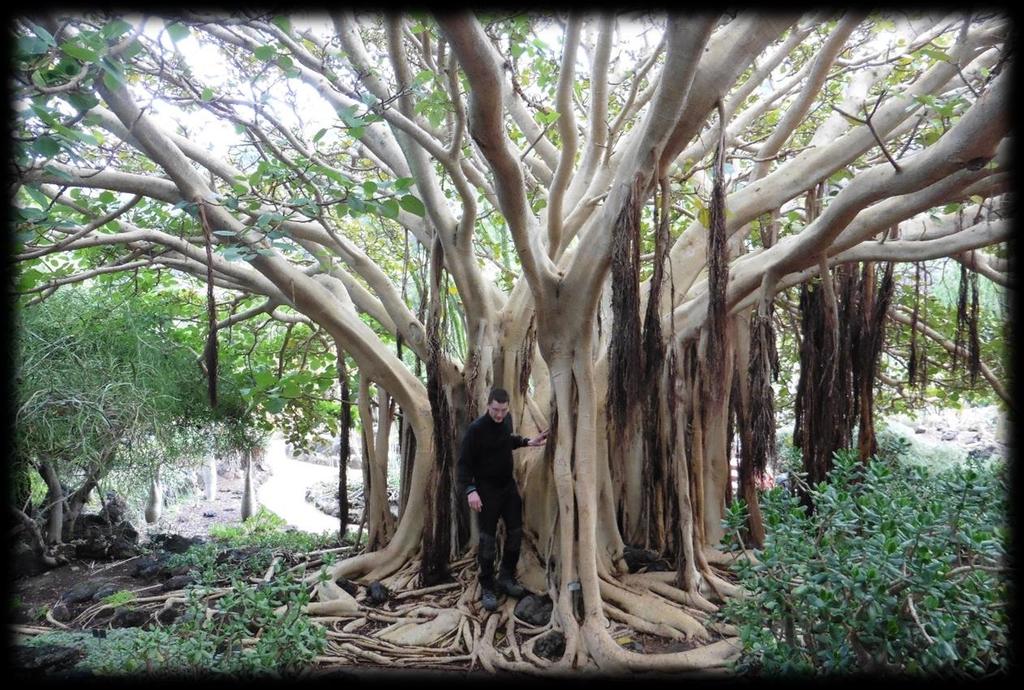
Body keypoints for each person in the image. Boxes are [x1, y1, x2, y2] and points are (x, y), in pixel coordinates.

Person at [457, 388, 548, 612]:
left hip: (508, 488)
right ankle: (487, 584)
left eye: (503, 410)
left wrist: (529, 442)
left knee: (516, 532)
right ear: (488, 405)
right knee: (487, 540)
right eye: (496, 410)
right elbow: (463, 464)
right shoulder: (476, 430)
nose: (499, 415)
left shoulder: (506, 420)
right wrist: (471, 490)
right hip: (486, 490)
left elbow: (507, 441)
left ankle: (506, 576)